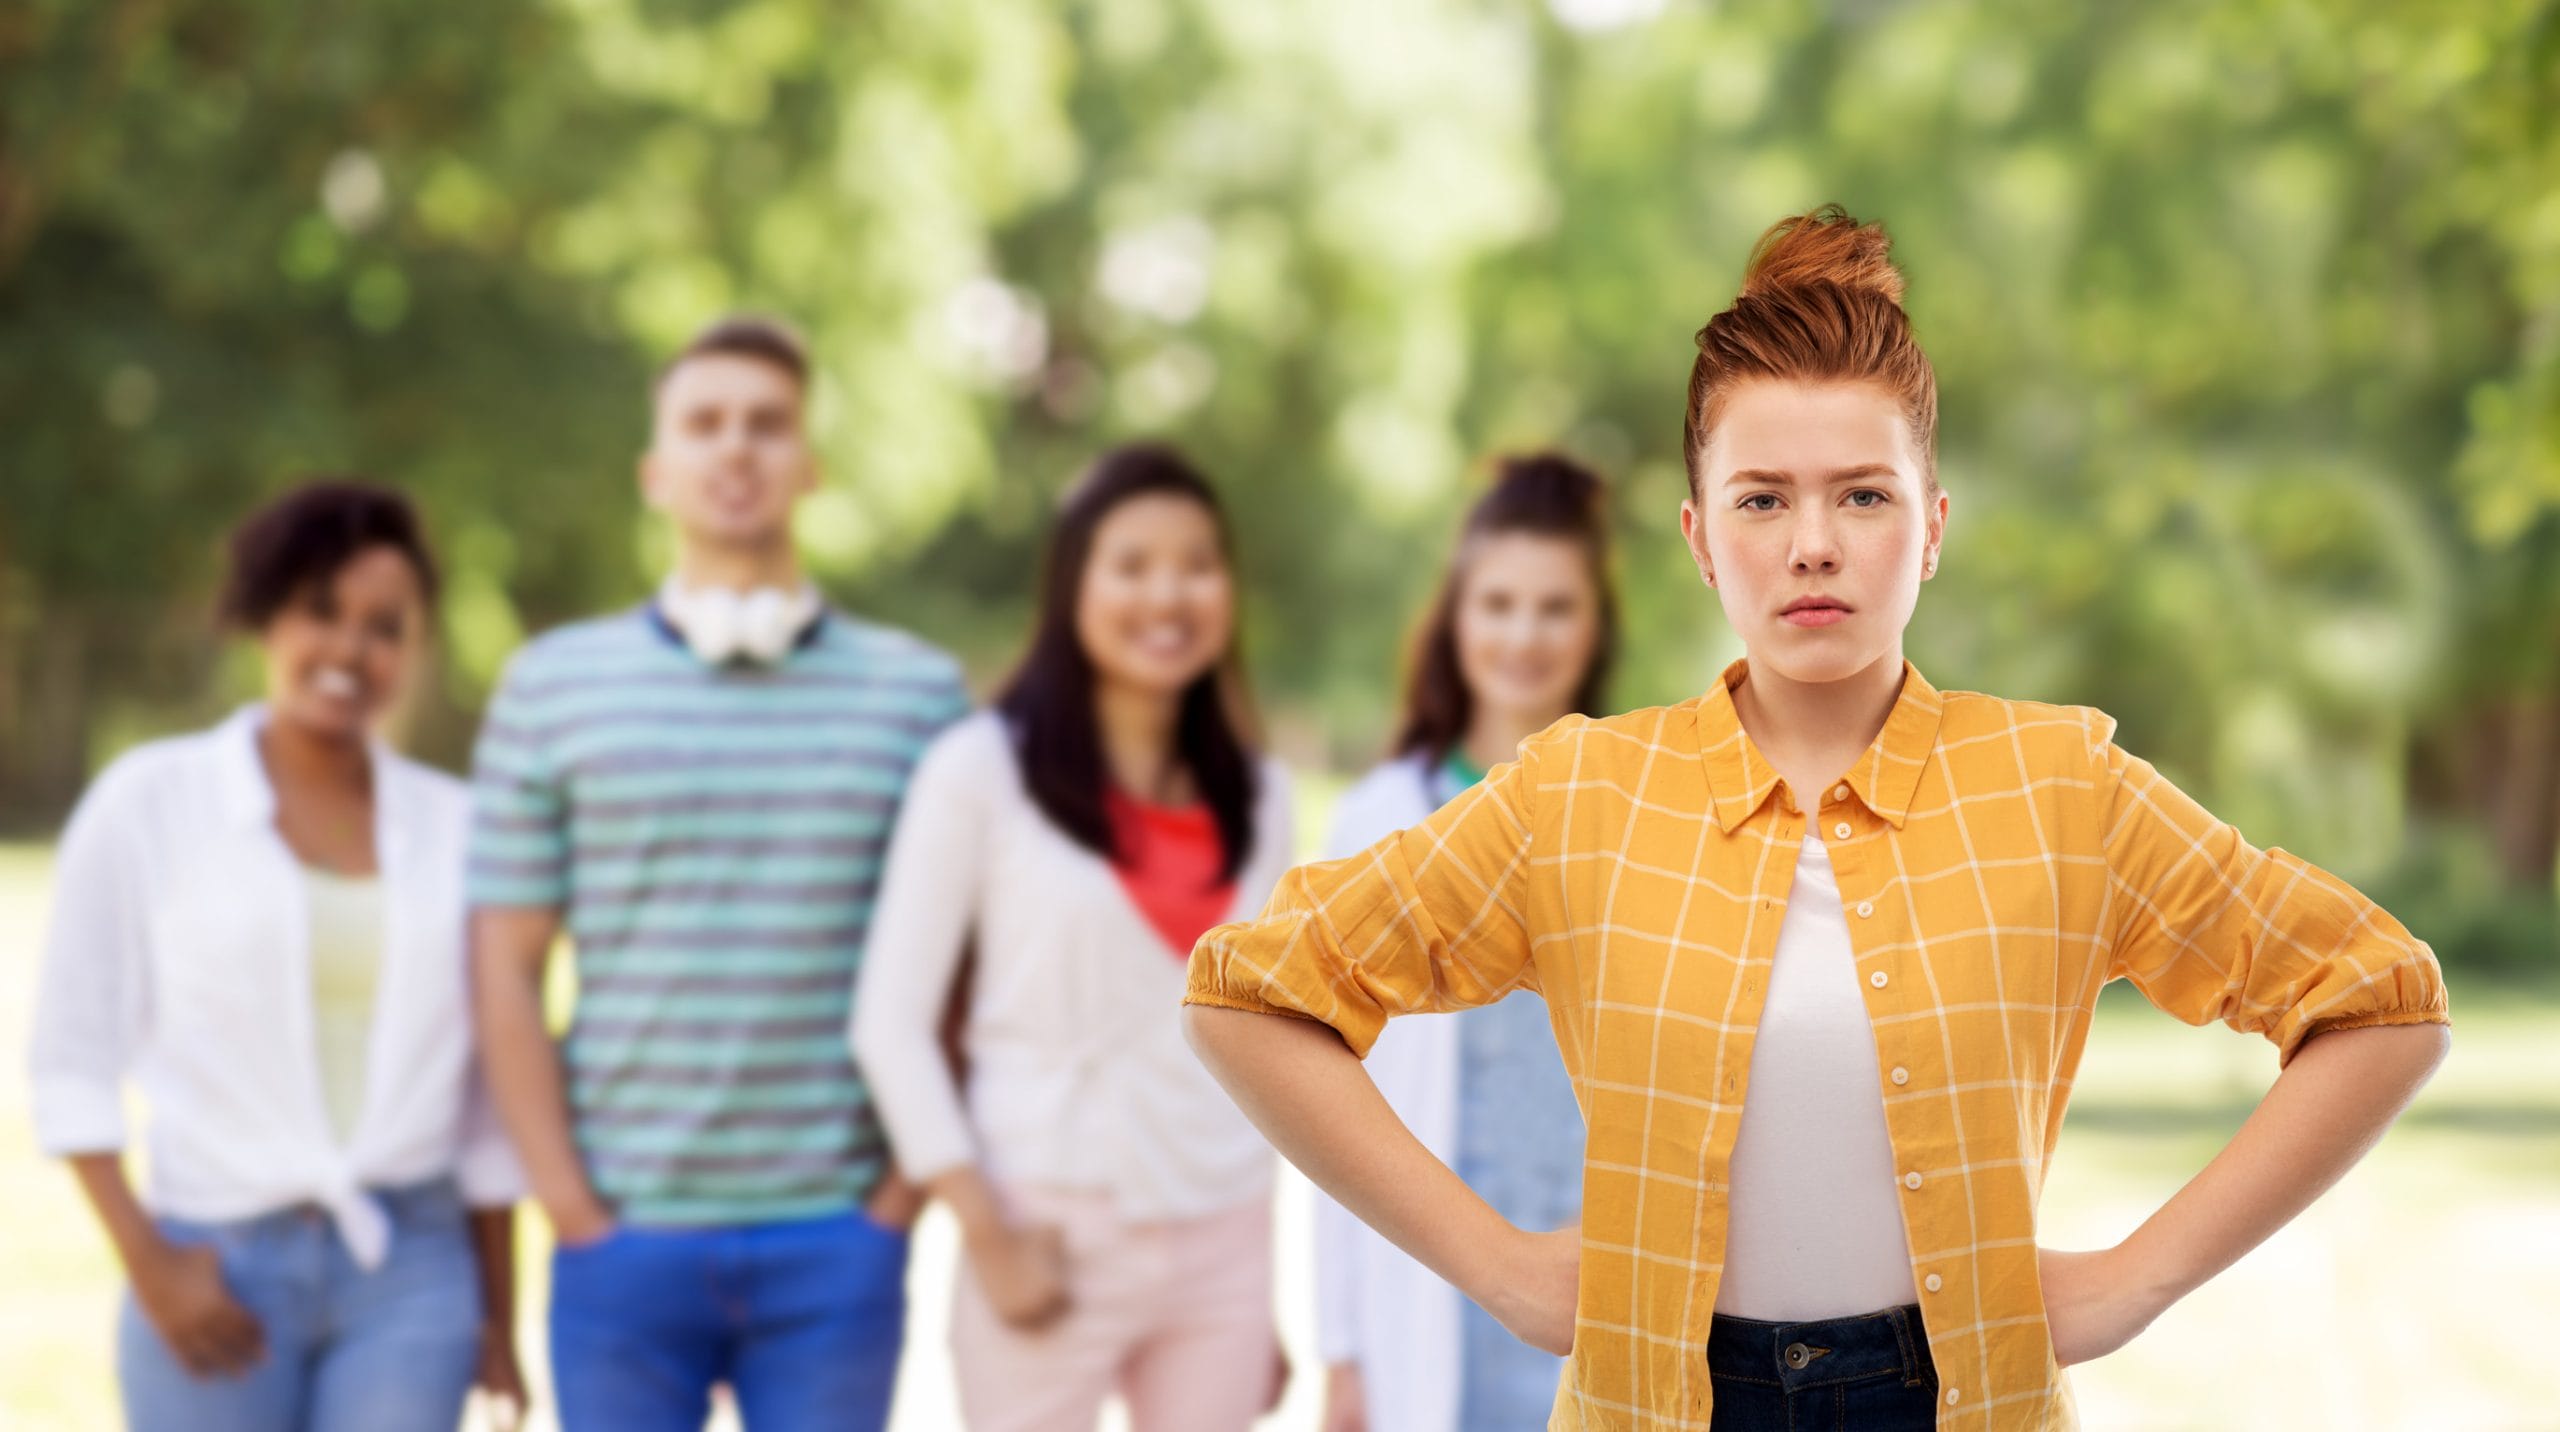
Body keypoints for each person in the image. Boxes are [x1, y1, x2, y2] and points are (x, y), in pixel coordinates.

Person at [1181, 208, 2452, 1430]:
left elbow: (2379, 1002)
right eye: (1760, 498)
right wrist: (1502, 1268)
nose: (1811, 546)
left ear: (1933, 526)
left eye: (1861, 496)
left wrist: (2135, 1278)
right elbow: (1250, 997)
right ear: (1696, 537)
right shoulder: (1575, 794)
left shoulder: (2060, 785)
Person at [467, 316, 972, 1432]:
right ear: (657, 471)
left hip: (838, 1236)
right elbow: (503, 967)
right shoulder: (550, 687)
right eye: (704, 424)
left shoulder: (920, 696)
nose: (735, 449)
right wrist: (569, 1204)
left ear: (810, 465)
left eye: (766, 424)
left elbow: (964, 967)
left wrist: (893, 1200)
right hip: (622, 1236)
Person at [28, 480, 527, 1432]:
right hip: (215, 1259)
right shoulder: (149, 804)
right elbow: (72, 1060)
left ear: (416, 650)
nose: (350, 649)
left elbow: (485, 1108)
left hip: (411, 1272)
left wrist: (499, 1319)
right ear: (264, 617)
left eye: (385, 627)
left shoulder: (462, 830)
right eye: (320, 611)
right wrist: (150, 1263)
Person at [854, 443, 1294, 1432]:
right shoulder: (978, 772)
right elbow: (890, 1025)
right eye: (1131, 564)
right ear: (1072, 585)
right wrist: (987, 1234)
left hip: (1221, 1239)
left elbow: (1261, 1046)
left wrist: (1258, 1289)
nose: (1167, 594)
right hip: (1042, 1225)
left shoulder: (1260, 797)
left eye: (1196, 563)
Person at [1314, 453, 1615, 1432]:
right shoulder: (1378, 821)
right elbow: (1325, 1102)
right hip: (1436, 1295)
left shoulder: (1644, 810)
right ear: (1455, 615)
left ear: (1595, 623)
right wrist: (1341, 1352)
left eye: (1555, 607)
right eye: (1498, 603)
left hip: (1609, 1283)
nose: (1523, 635)